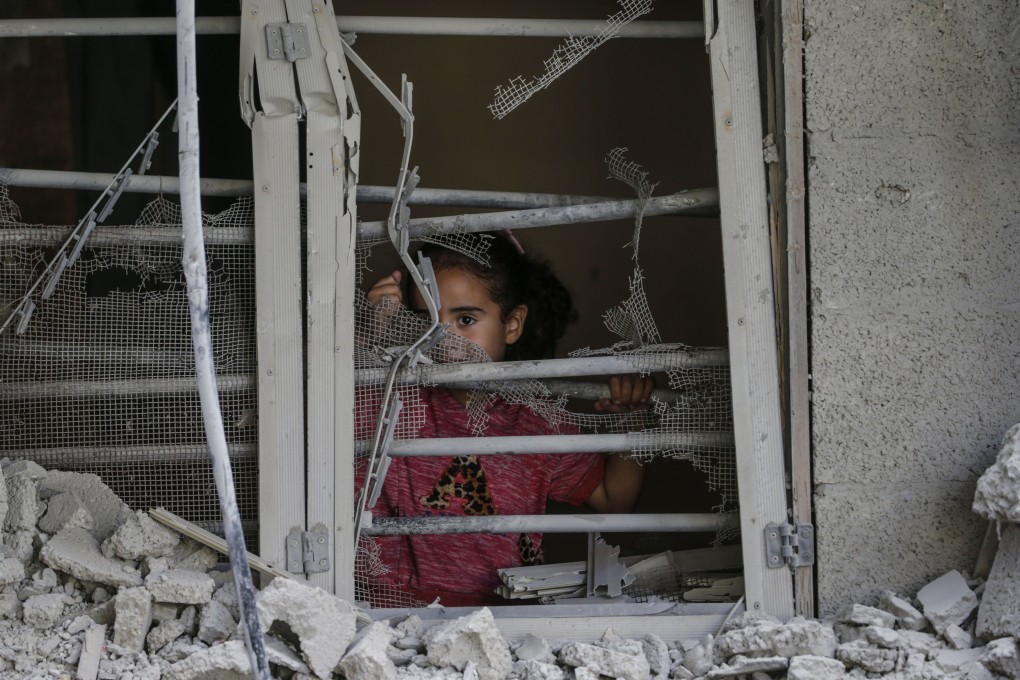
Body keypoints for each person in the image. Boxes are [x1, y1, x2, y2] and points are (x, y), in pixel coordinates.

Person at [358, 232, 654, 607]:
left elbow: (615, 499)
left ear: (512, 324)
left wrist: (632, 422)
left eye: (465, 319)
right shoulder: (390, 400)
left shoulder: (538, 421)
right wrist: (363, 335)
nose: (444, 340)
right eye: (426, 320)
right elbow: (317, 407)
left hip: (503, 617)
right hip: (389, 613)